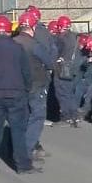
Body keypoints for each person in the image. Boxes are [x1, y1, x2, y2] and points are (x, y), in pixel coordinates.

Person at [0, 15, 39, 174]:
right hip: (16, 94)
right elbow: (26, 73)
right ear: (10, 30)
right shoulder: (18, 48)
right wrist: (26, 89)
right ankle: (22, 165)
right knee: (18, 130)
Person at [15, 12, 55, 163]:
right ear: (32, 27)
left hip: (18, 86)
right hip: (36, 85)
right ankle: (27, 150)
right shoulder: (34, 45)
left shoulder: (13, 42)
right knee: (37, 117)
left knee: (22, 117)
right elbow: (49, 62)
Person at [51, 15, 80, 126]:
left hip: (61, 68)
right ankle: (75, 115)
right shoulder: (74, 37)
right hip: (72, 68)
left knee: (61, 93)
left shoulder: (61, 38)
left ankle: (66, 116)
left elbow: (56, 51)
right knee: (69, 92)